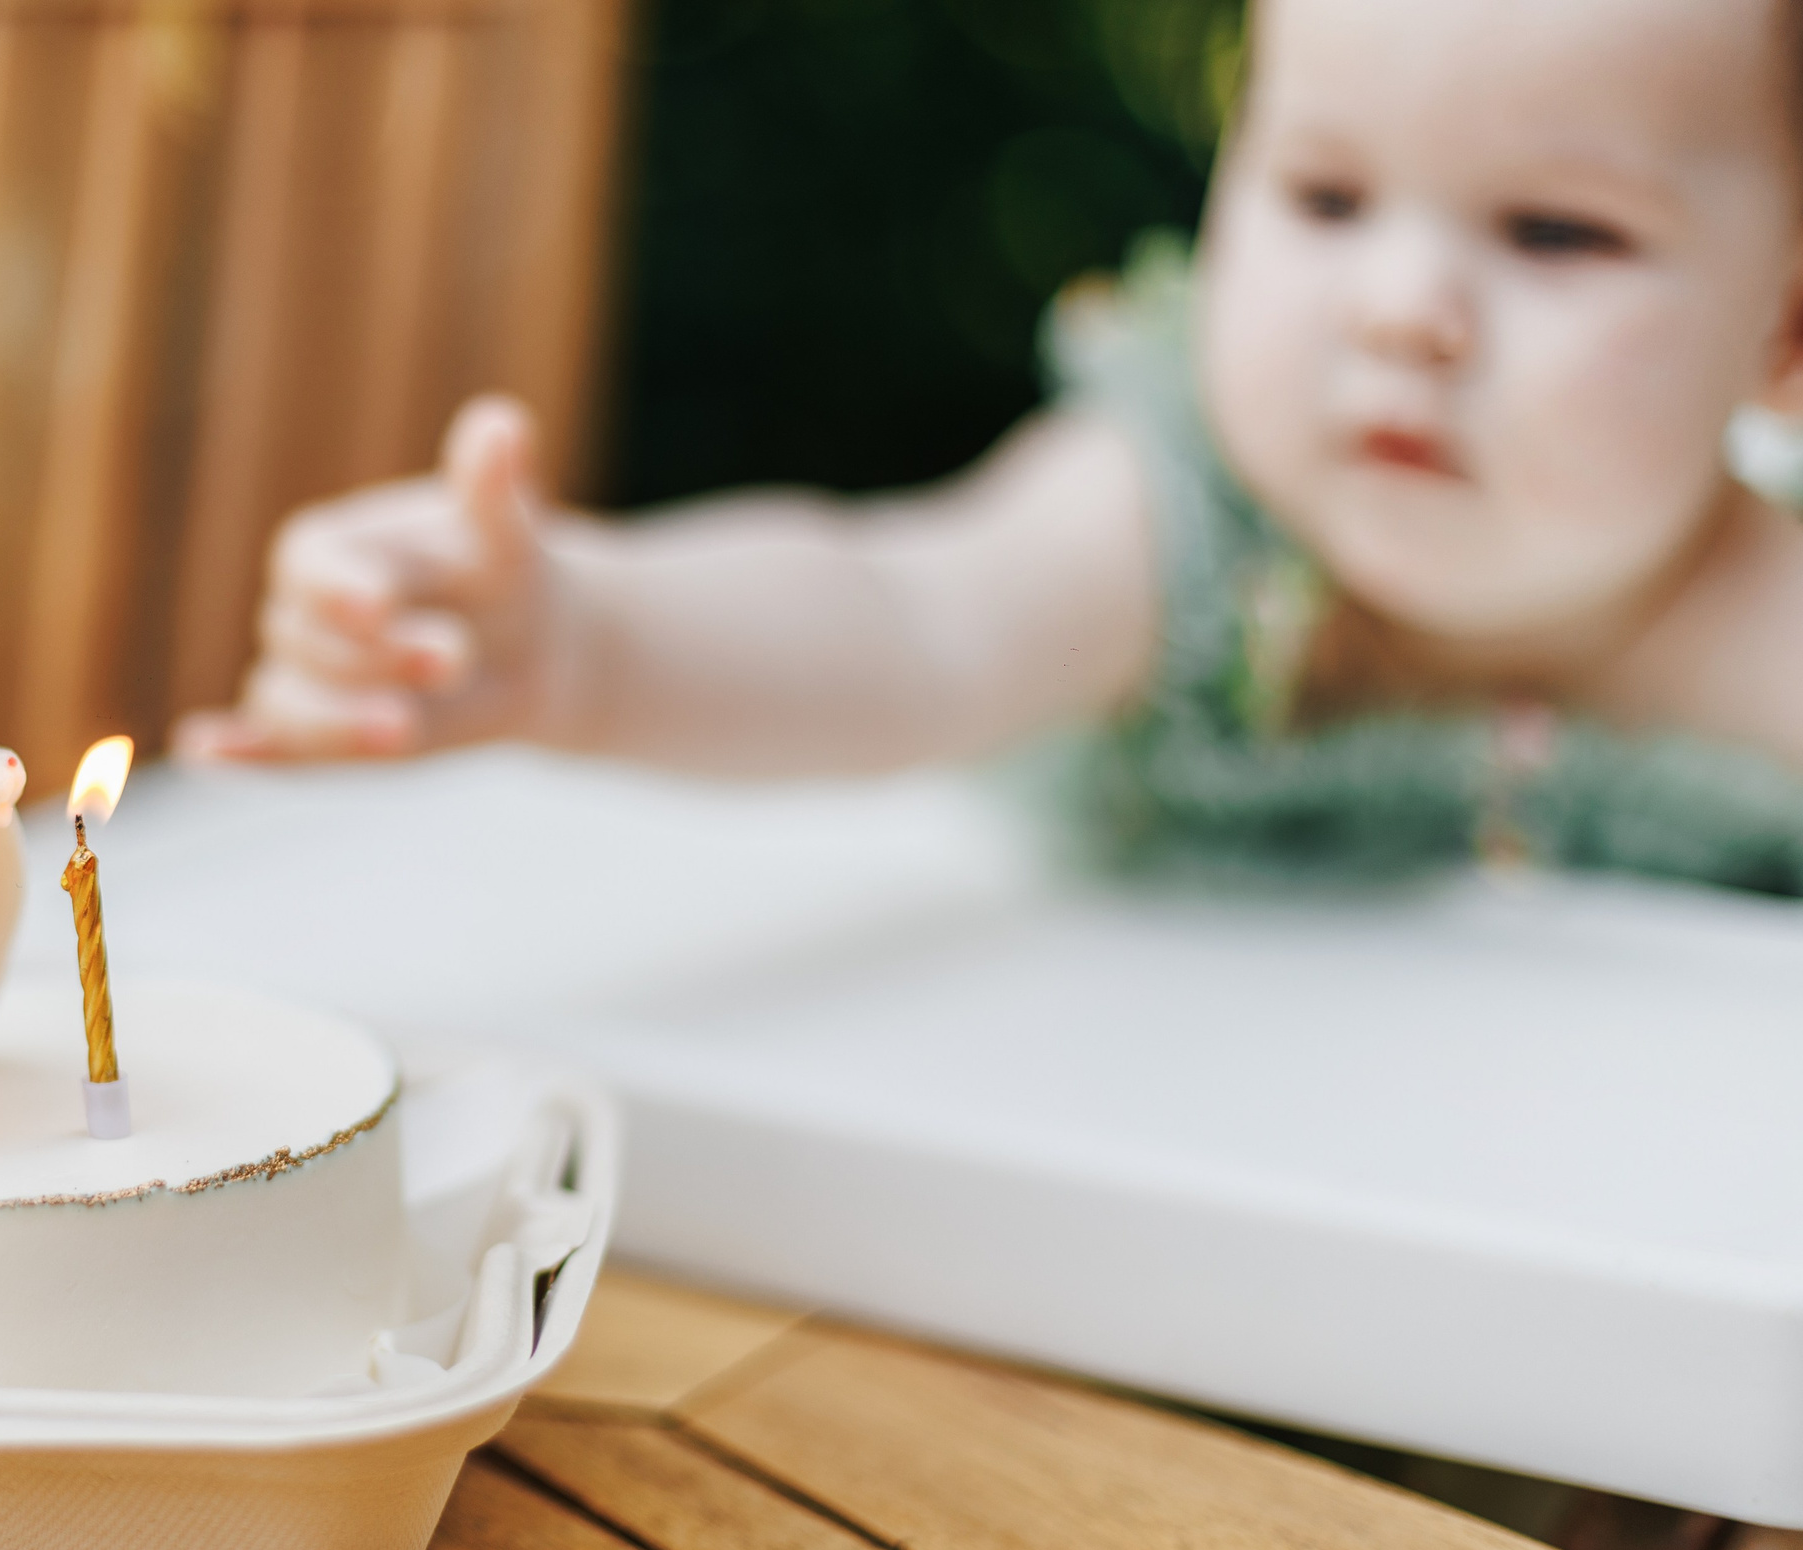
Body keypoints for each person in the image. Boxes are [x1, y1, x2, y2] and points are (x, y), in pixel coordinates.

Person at [180, 0, 1803, 890]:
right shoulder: (1187, 527)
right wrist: (586, 635)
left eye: (1555, 232)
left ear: (1783, 331)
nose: (1402, 308)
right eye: (1324, 197)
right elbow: (902, 613)